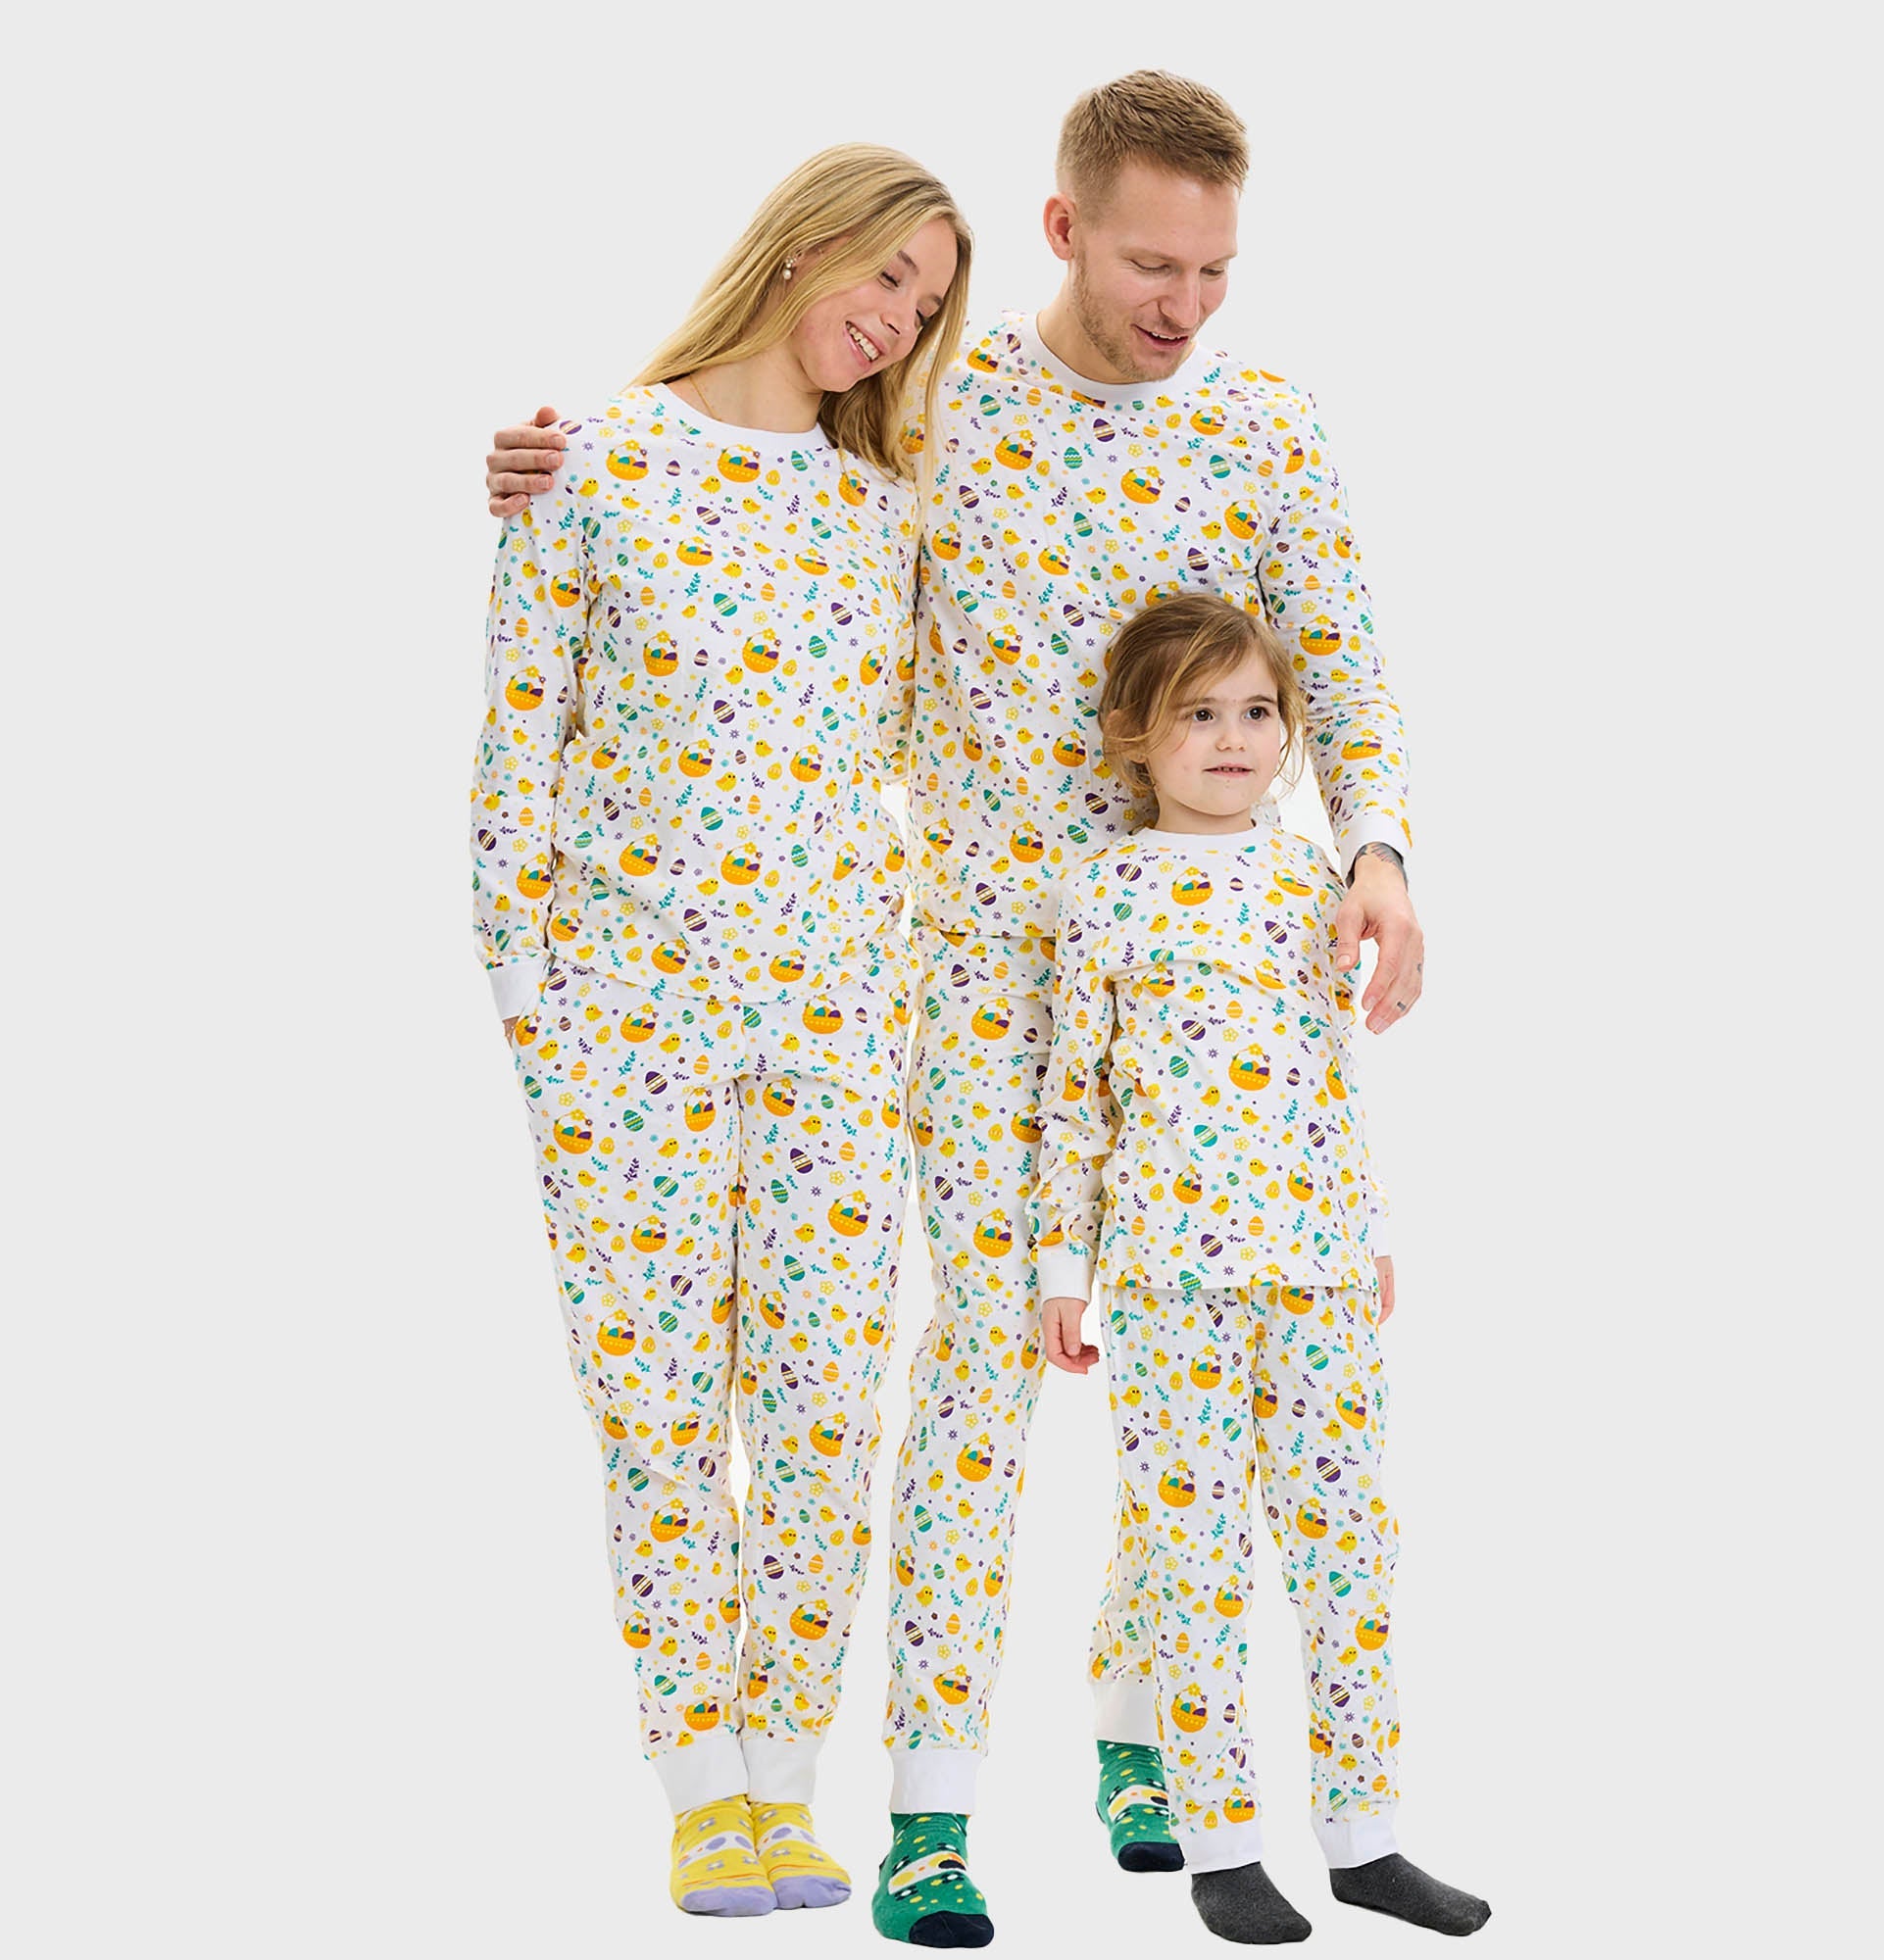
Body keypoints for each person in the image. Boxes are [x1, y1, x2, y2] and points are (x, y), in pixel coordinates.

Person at [482, 73, 1430, 1945]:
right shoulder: (941, 406)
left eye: (1218, 270)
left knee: (1215, 1358)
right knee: (978, 1370)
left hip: (1204, 980)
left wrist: (1378, 849)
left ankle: (1146, 1726)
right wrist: (552, 477)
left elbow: (1343, 664)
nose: (1184, 304)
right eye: (1151, 264)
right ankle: (929, 1811)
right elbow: (742, 505)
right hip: (960, 978)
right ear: (1066, 230)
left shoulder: (1266, 427)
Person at [471, 144, 969, 1921]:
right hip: (627, 1031)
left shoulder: (886, 506)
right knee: (662, 1409)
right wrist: (534, 1010)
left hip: (843, 1019)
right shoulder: (594, 463)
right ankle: (699, 1791)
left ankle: (786, 1781)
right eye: (889, 274)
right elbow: (518, 744)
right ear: (803, 244)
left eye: (928, 303)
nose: (899, 320)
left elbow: (943, 745)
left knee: (828, 1404)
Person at [1033, 592, 1489, 1943]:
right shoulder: (1104, 892)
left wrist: (1369, 1232)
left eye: (1256, 712)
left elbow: (1326, 1078)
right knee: (1194, 1561)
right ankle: (1222, 1844)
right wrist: (1065, 1268)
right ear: (1133, 734)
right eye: (1198, 714)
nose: (1234, 739)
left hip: (1319, 1267)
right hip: (1169, 1277)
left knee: (1349, 1550)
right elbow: (1077, 1100)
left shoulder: (1315, 883)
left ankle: (1366, 1838)